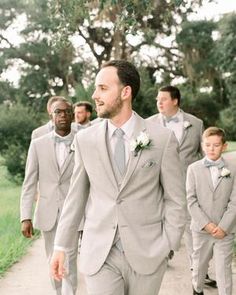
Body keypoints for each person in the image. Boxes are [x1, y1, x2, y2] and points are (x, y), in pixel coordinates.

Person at [51, 60, 186, 295]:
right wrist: (61, 245)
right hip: (100, 254)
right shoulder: (85, 140)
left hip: (148, 253)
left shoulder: (162, 138)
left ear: (126, 92)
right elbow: (75, 197)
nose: (95, 95)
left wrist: (168, 244)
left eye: (103, 88)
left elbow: (175, 199)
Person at [147, 86, 216, 288]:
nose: (159, 103)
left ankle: (199, 272)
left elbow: (204, 155)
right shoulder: (149, 124)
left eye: (164, 99)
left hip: (188, 185)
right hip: (156, 184)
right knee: (156, 224)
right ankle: (157, 259)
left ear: (175, 101)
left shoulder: (195, 123)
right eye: (157, 99)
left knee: (192, 227)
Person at [20, 99, 78, 295]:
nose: (62, 115)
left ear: (72, 115)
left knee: (70, 257)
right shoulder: (38, 144)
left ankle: (70, 292)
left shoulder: (83, 140)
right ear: (51, 116)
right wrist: (25, 217)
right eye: (57, 112)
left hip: (74, 211)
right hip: (47, 211)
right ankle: (59, 292)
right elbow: (29, 182)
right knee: (52, 258)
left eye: (66, 112)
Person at [186, 127, 236, 295]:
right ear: (202, 145)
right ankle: (197, 290)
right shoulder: (193, 169)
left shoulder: (233, 169)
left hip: (225, 231)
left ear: (224, 146)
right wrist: (206, 224)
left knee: (224, 270)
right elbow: (191, 200)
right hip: (201, 229)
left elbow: (234, 201)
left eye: (216, 145)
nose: (211, 149)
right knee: (199, 269)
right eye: (207, 145)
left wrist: (224, 227)